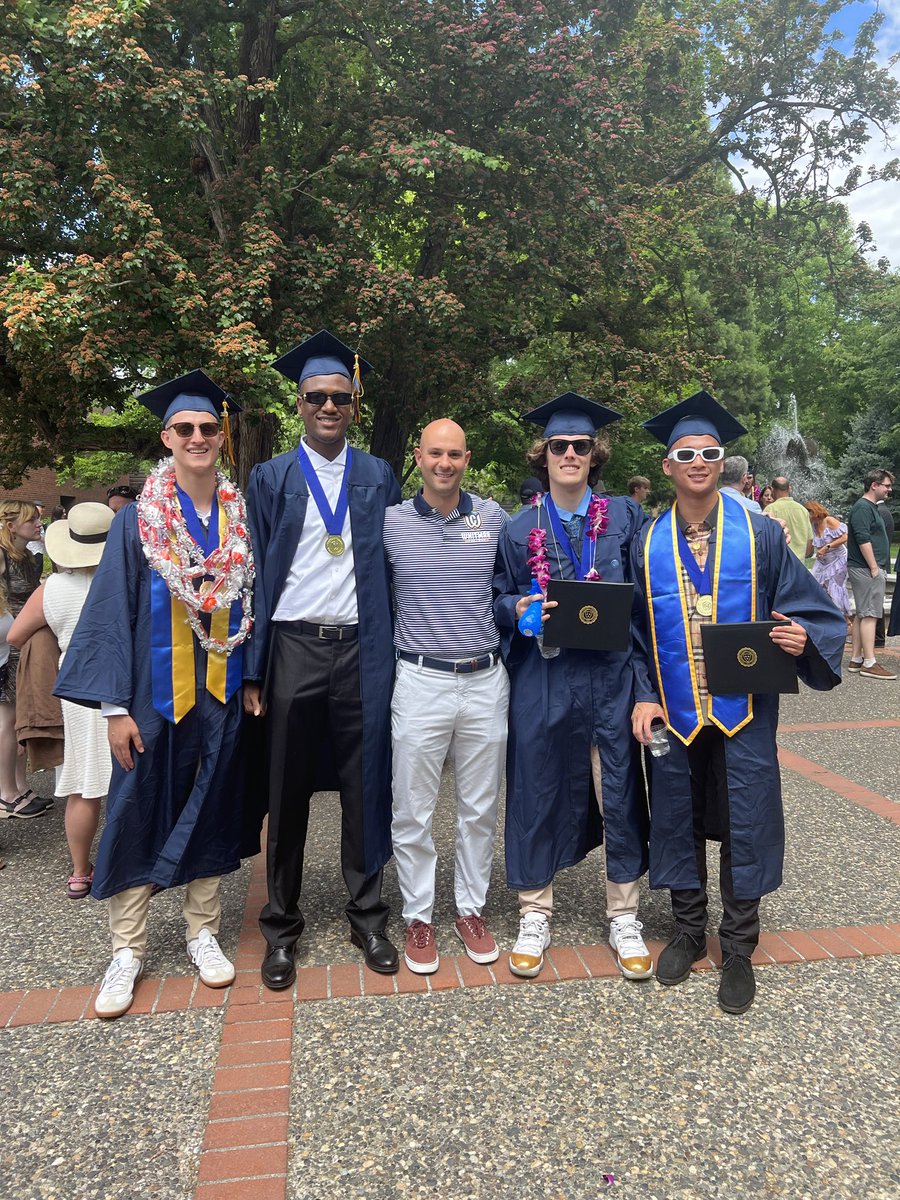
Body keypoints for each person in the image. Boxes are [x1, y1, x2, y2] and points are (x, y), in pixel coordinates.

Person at [630, 391, 845, 1014]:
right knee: (677, 817)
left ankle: (740, 946)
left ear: (723, 463)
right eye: (685, 453)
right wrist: (644, 698)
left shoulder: (761, 534)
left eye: (709, 452)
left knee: (747, 819)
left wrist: (804, 635)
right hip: (676, 710)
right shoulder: (646, 542)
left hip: (745, 711)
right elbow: (635, 638)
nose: (698, 461)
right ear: (668, 465)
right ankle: (689, 930)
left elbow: (809, 608)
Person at [55, 371, 255, 1018]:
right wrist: (114, 710)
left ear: (221, 438)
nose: (197, 438)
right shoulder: (137, 521)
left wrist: (251, 676)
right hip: (152, 698)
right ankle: (127, 949)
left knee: (212, 806)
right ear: (166, 437)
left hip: (221, 692)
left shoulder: (238, 519)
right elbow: (112, 613)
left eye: (207, 429)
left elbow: (251, 600)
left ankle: (201, 931)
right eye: (184, 429)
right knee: (137, 807)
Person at [245, 329, 401, 988]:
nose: (329, 406)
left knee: (367, 789)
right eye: (317, 397)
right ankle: (281, 927)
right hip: (292, 648)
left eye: (340, 396)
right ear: (300, 401)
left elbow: (397, 569)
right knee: (287, 792)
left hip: (361, 649)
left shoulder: (377, 474)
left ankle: (367, 916)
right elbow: (253, 573)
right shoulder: (270, 477)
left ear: (353, 403)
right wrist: (254, 667)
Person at [493, 393, 652, 981]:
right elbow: (496, 600)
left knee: (619, 789)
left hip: (610, 678)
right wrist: (517, 610)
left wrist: (644, 689)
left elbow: (643, 611)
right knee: (534, 787)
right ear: (544, 455)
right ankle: (534, 912)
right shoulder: (517, 530)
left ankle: (624, 914)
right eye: (558, 446)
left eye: (579, 447)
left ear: (594, 455)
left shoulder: (625, 521)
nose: (568, 454)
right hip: (546, 676)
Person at [384, 420, 508, 974]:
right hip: (420, 679)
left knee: (479, 808)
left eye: (455, 454)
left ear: (467, 458)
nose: (445, 463)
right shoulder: (390, 523)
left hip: (485, 679)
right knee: (412, 808)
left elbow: (515, 587)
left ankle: (470, 909)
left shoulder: (495, 518)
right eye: (435, 453)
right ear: (419, 456)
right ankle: (418, 914)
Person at [8, 504, 115, 898]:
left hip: (77, 687)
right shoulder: (127, 583)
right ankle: (131, 861)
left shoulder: (51, 589)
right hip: (127, 684)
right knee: (131, 781)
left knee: (83, 787)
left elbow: (16, 635)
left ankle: (79, 871)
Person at [0, 501, 50, 818]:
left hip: (25, 645)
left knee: (19, 720)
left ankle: (20, 786)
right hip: (7, 646)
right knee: (7, 721)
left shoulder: (30, 558)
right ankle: (5, 794)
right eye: (31, 520)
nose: (37, 524)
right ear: (11, 526)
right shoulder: (2, 558)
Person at [845, 469, 895, 680]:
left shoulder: (868, 507)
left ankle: (856, 659)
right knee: (871, 614)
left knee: (862, 613)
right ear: (874, 485)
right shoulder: (863, 508)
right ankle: (870, 662)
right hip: (866, 569)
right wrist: (874, 567)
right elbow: (863, 537)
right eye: (886, 485)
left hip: (865, 568)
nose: (889, 489)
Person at [804, 501, 851, 620]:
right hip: (823, 562)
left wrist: (827, 546)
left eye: (807, 513)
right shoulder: (813, 526)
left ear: (814, 511)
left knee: (835, 588)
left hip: (838, 560)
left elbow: (846, 536)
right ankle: (823, 616)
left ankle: (841, 619)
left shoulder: (829, 520)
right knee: (814, 585)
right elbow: (810, 548)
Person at [764, 478, 813, 562]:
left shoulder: (770, 509)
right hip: (799, 564)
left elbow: (764, 540)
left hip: (780, 565)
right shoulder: (802, 510)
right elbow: (810, 541)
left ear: (772, 489)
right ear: (789, 488)